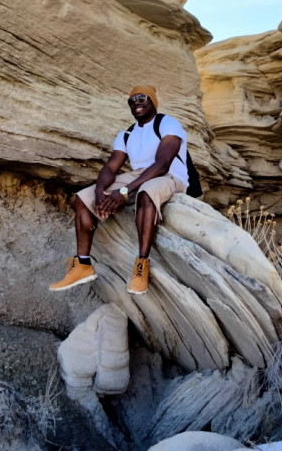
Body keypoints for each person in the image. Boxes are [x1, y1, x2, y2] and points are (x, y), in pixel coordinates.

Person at [49, 85, 188, 295]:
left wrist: (124, 192)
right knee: (82, 199)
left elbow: (163, 163)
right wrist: (99, 192)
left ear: (152, 102)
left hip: (170, 175)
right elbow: (111, 167)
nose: (136, 103)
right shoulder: (127, 134)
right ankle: (83, 265)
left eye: (141, 98)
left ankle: (141, 266)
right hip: (138, 175)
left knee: (147, 192)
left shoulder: (167, 123)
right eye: (131, 100)